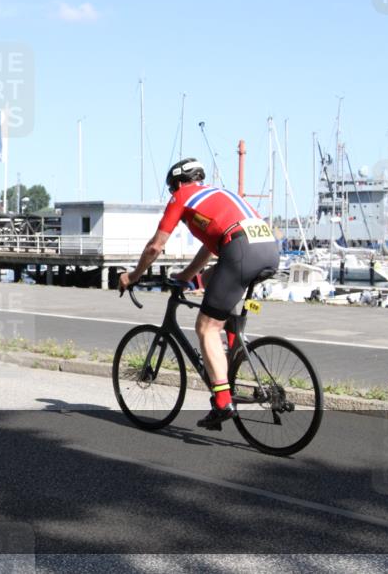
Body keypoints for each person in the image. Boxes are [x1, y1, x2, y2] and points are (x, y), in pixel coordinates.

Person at [118, 158, 279, 430]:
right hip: (268, 250)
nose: (173, 193)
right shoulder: (218, 194)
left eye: (172, 189)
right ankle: (231, 365)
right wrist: (186, 277)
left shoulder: (182, 196)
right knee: (216, 290)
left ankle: (223, 401)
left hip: (240, 250)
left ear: (178, 183)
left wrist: (132, 276)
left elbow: (155, 247)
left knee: (206, 328)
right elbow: (210, 247)